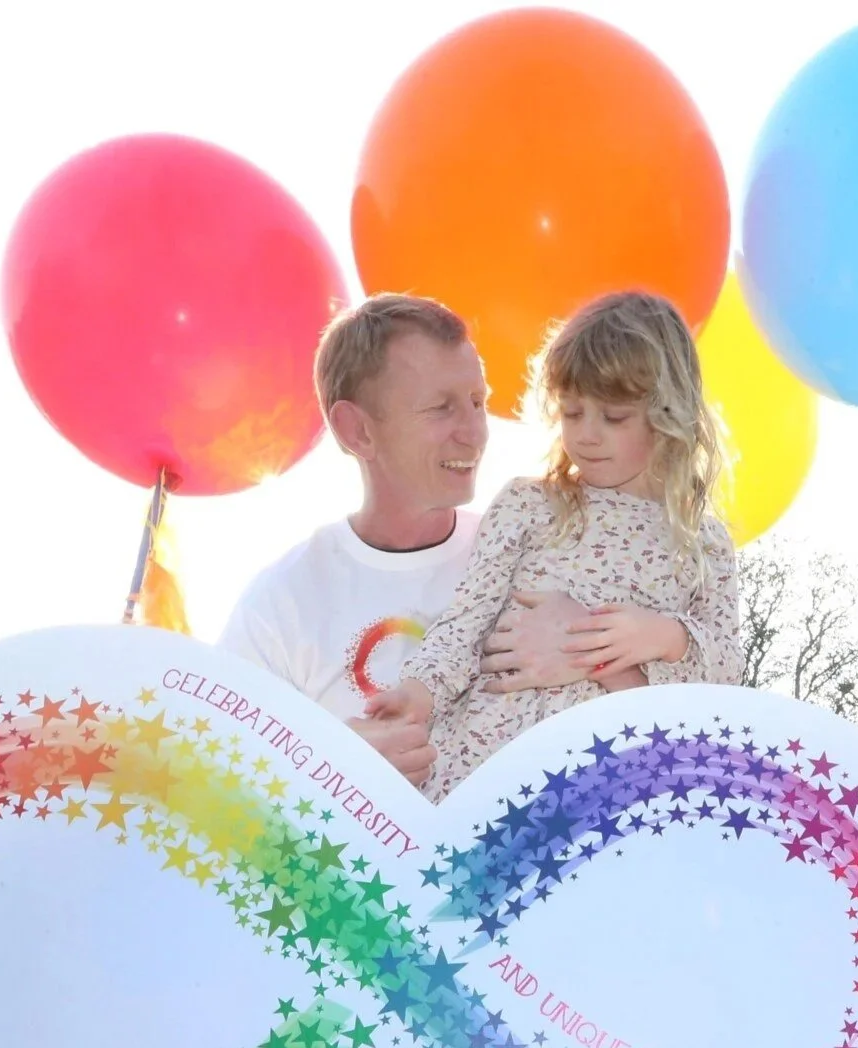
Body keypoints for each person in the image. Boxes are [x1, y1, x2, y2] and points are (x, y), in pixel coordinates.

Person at [218, 294, 602, 789]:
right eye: (441, 409)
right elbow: (217, 787)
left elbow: (649, 730)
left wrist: (593, 648)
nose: (474, 433)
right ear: (357, 430)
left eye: (477, 402)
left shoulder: (539, 557)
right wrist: (331, 766)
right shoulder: (279, 606)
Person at [370, 291, 743, 801]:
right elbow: (465, 624)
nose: (587, 435)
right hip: (488, 767)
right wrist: (417, 693)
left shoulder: (703, 543)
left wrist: (665, 635)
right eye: (571, 413)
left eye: (613, 417)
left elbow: (724, 679)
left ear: (668, 414)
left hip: (612, 790)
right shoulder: (531, 504)